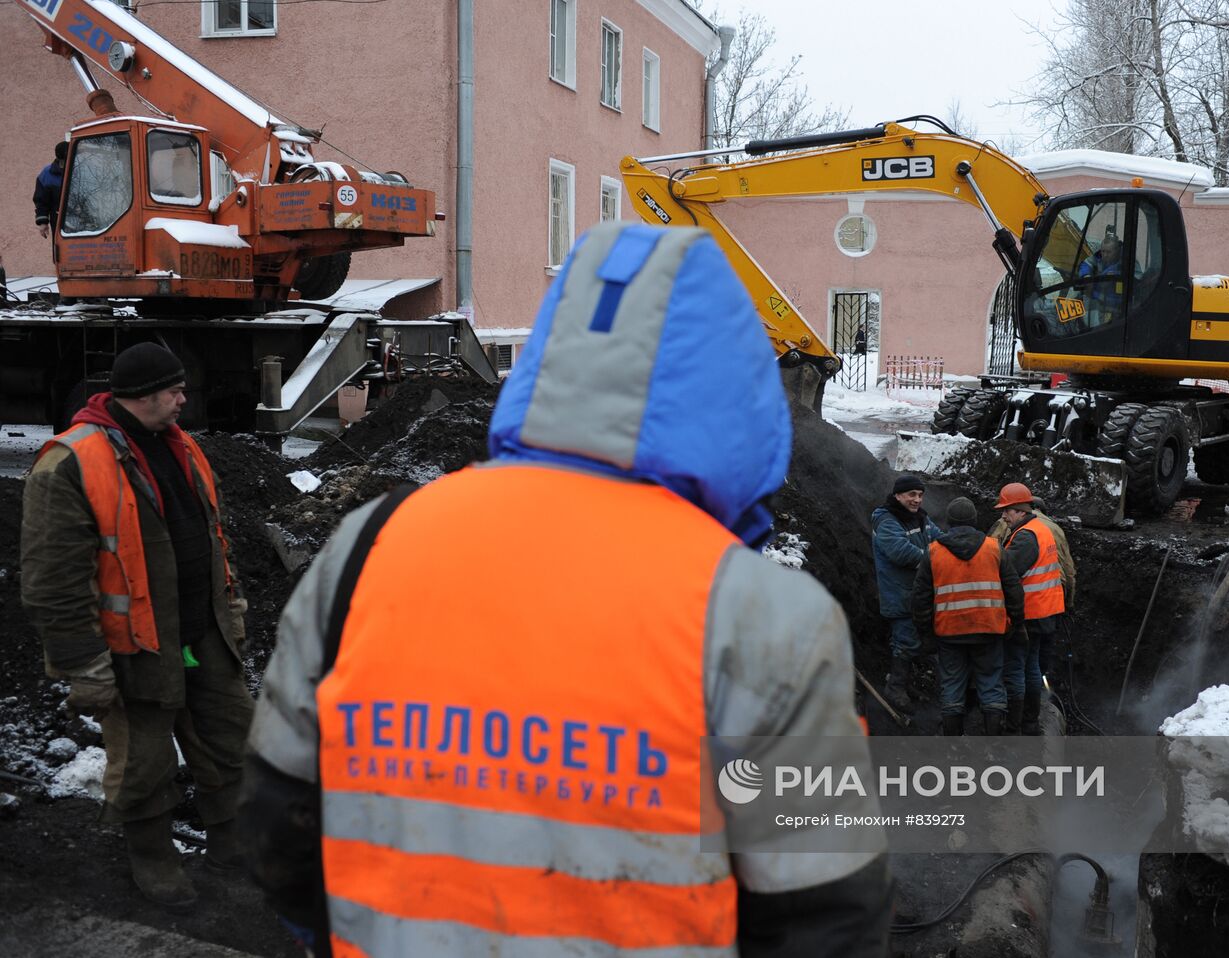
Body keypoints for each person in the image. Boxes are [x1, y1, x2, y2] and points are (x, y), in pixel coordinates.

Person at [239, 222, 892, 956]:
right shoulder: (767, 618)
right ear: (741, 406)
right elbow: (826, 916)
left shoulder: (368, 546)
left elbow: (277, 822)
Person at [21, 342, 253, 911]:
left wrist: (233, 607)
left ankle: (233, 845)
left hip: (203, 635)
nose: (183, 399)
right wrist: (84, 666)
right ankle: (153, 856)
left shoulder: (183, 447)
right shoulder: (70, 460)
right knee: (146, 760)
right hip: (136, 646)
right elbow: (52, 579)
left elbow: (212, 537)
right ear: (144, 395)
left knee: (232, 741)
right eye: (174, 391)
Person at [910, 497, 1022, 736]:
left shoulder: (933, 552)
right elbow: (1014, 590)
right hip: (989, 630)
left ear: (949, 522)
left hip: (949, 633)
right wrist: (1013, 624)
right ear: (974, 521)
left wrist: (926, 634)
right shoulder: (994, 548)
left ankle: (954, 745)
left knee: (952, 686)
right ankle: (994, 744)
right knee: (991, 685)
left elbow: (920, 599)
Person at [994, 482, 1066, 735]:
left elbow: (1007, 571)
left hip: (1028, 613)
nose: (1003, 516)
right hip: (1044, 611)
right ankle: (1031, 721)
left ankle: (1017, 725)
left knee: (1016, 669)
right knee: (1032, 667)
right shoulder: (1040, 529)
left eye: (1007, 511)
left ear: (1021, 510)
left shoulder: (1025, 537)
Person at [989, 495, 1076, 688]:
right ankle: (1041, 695)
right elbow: (1069, 570)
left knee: (1017, 661)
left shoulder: (1013, 527)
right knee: (1038, 656)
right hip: (1052, 598)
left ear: (1024, 509)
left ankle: (1022, 705)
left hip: (1029, 604)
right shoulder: (1052, 528)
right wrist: (1068, 603)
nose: (1004, 515)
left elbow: (990, 558)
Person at [871, 474, 940, 712]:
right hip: (899, 593)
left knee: (915, 640)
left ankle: (905, 684)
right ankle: (895, 688)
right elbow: (900, 552)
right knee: (906, 640)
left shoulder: (921, 519)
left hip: (918, 593)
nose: (917, 499)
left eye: (920, 495)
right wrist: (939, 561)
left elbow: (941, 540)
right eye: (912, 494)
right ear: (898, 495)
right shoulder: (887, 521)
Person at [1077, 234, 1125, 326]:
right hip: (1099, 301)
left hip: (1116, 308)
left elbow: (1122, 297)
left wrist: (1093, 293)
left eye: (1108, 252)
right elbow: (1086, 264)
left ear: (1117, 251)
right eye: (1103, 251)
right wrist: (1086, 275)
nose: (1105, 255)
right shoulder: (1099, 257)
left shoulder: (1125, 263)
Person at [34, 141, 66, 249]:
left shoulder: (79, 170)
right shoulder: (47, 174)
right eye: (63, 162)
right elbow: (41, 201)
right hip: (57, 220)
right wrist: (42, 222)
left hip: (83, 218)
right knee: (61, 250)